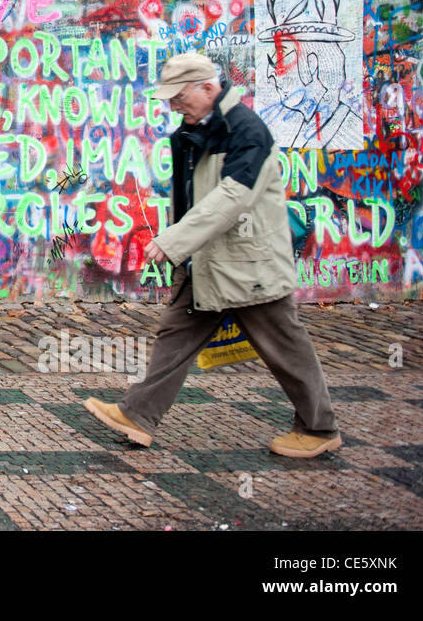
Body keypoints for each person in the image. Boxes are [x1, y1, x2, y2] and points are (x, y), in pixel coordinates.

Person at [83, 51, 341, 458]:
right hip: (205, 261)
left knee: (285, 346)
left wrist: (173, 241)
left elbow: (233, 196)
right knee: (175, 335)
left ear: (208, 87)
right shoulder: (192, 130)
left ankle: (319, 428)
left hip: (246, 264)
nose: (173, 106)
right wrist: (185, 249)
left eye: (180, 96)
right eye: (170, 99)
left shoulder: (246, 130)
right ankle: (138, 414)